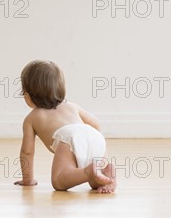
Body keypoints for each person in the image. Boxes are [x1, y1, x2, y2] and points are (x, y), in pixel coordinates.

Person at [14, 60, 116, 193]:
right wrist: (91, 143)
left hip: (69, 137)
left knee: (59, 181)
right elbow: (96, 123)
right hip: (94, 136)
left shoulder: (32, 118)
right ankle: (106, 170)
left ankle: (88, 171)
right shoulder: (71, 106)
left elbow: (27, 152)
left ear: (27, 96)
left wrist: (28, 180)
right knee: (95, 182)